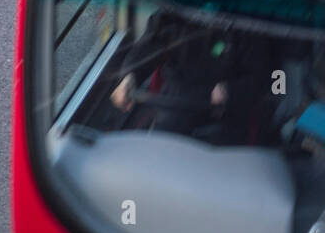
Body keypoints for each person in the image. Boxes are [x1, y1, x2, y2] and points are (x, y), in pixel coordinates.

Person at [110, 9, 261, 143]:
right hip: (173, 101)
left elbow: (266, 79)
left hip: (225, 111)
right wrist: (130, 76)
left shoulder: (250, 23)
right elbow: (149, 44)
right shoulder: (174, 10)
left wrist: (229, 90)